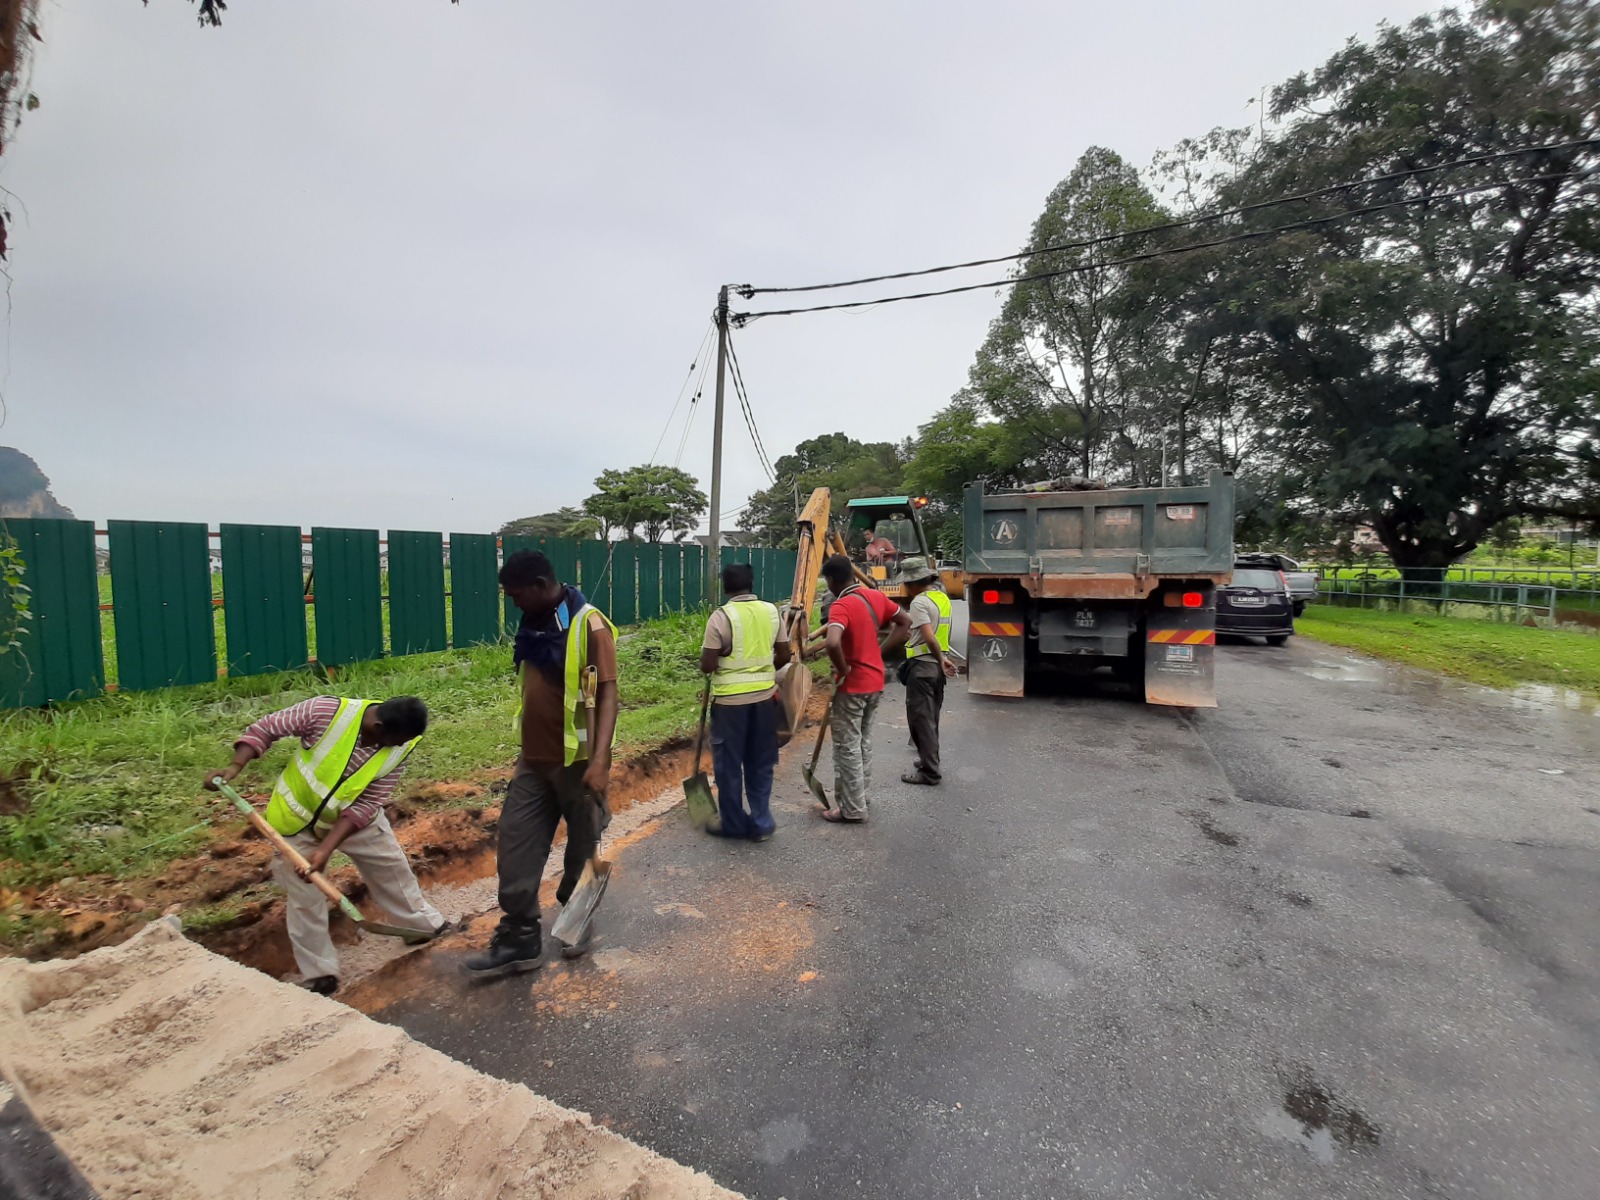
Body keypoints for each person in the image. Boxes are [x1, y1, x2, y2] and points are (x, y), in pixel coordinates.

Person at [204, 694, 444, 996]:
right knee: (306, 895)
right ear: (378, 726)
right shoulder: (325, 712)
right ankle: (320, 973)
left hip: (355, 819)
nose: (397, 747)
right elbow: (266, 728)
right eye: (393, 741)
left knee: (391, 867)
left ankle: (419, 927)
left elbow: (369, 800)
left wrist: (327, 847)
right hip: (296, 821)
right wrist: (234, 768)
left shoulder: (403, 742)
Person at [465, 550, 619, 978]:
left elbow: (607, 693)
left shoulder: (589, 625)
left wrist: (601, 758)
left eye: (516, 595)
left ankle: (577, 915)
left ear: (539, 584)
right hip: (533, 760)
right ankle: (519, 937)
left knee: (583, 848)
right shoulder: (534, 624)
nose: (512, 603)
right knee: (514, 845)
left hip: (579, 762)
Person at [699, 563, 791, 841]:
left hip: (729, 706)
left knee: (728, 766)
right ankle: (762, 823)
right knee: (760, 761)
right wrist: (763, 670)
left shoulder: (721, 617)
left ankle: (734, 824)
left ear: (726, 587)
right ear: (751, 584)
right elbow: (785, 655)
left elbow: (707, 664)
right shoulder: (772, 612)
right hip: (765, 702)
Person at [820, 554, 912, 824]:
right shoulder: (875, 597)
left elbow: (832, 643)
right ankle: (860, 795)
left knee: (847, 745)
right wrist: (879, 651)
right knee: (864, 740)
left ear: (832, 580)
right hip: (875, 683)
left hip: (853, 686)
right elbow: (905, 623)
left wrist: (844, 668)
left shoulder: (842, 605)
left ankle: (852, 809)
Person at [894, 556, 956, 786]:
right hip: (936, 669)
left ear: (912, 583)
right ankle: (928, 760)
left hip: (923, 666)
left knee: (921, 720)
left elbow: (929, 636)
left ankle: (930, 772)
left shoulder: (919, 602)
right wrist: (944, 659)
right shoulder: (942, 599)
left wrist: (940, 659)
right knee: (931, 719)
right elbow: (942, 634)